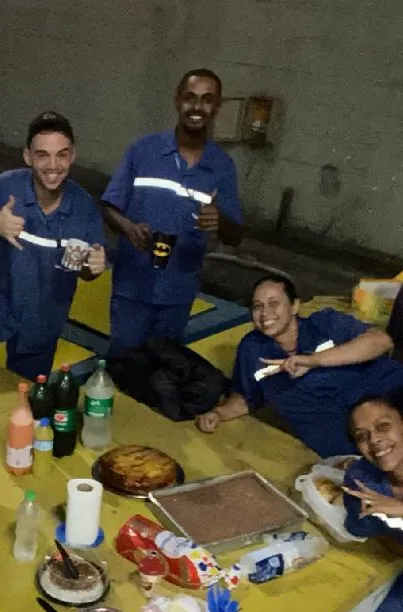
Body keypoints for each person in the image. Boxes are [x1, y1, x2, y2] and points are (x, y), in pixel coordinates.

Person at [101, 68, 243, 355]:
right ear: (178, 101)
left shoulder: (222, 166)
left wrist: (220, 220)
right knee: (123, 364)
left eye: (206, 99)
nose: (197, 107)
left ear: (216, 108)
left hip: (178, 292)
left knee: (163, 370)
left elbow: (236, 235)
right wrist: (128, 227)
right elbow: (108, 206)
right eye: (190, 97)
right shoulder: (143, 151)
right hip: (132, 287)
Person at [197, 275, 403, 457]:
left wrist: (313, 360)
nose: (264, 313)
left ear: (294, 306)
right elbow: (248, 396)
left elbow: (381, 341)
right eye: (257, 306)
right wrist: (219, 413)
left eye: (273, 303)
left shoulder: (325, 323)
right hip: (347, 449)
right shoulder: (252, 349)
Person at [0, 111, 106, 379]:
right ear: (27, 156)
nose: (53, 165)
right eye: (42, 155)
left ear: (72, 156)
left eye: (61, 154)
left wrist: (93, 268)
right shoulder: (6, 186)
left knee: (24, 398)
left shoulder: (84, 209)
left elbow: (86, 270)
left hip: (42, 321)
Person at [342, 394, 403, 612]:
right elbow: (361, 528)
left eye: (383, 426)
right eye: (362, 436)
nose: (375, 441)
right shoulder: (362, 478)